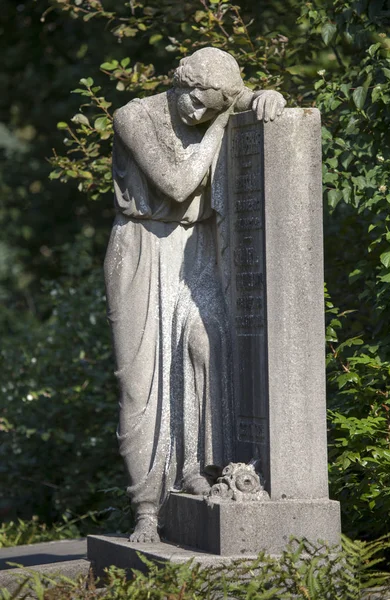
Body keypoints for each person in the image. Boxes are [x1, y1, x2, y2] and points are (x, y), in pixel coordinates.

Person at [104, 47, 286, 543]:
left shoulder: (215, 108)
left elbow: (245, 101)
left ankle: (198, 470)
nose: (199, 113)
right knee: (139, 384)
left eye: (211, 107)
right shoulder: (133, 116)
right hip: (141, 246)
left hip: (196, 249)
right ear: (180, 80)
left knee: (207, 346)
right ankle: (146, 508)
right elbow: (178, 181)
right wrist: (222, 123)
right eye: (196, 101)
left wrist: (262, 98)